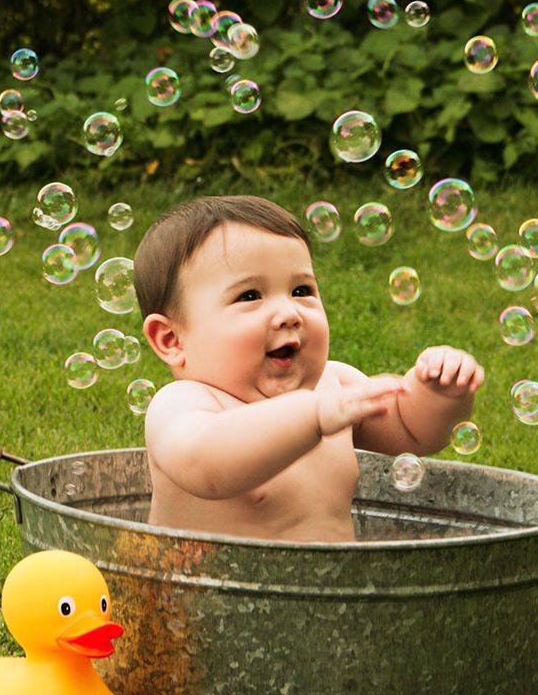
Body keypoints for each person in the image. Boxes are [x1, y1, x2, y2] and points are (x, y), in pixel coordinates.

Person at [134, 195, 483, 542]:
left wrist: (439, 394)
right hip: (202, 594)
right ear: (171, 340)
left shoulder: (335, 385)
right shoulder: (182, 405)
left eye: (301, 290)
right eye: (250, 296)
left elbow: (413, 432)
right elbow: (207, 467)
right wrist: (313, 415)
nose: (289, 313)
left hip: (330, 593)